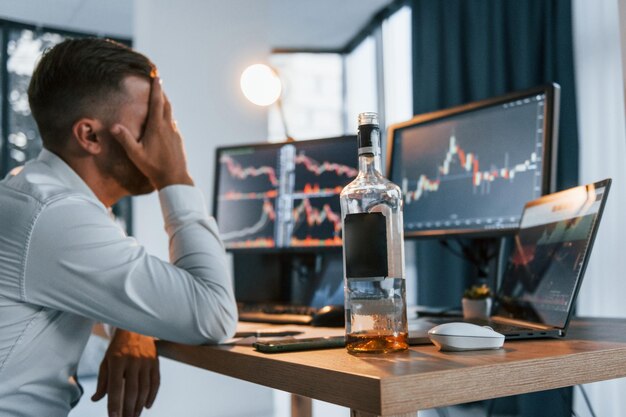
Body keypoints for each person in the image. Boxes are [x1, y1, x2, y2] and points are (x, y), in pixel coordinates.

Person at [0, 38, 238, 417]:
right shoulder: (55, 215)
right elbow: (212, 315)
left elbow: (104, 283)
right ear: (90, 136)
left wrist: (131, 323)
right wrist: (174, 176)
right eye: (150, 122)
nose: (168, 137)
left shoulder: (38, 191)